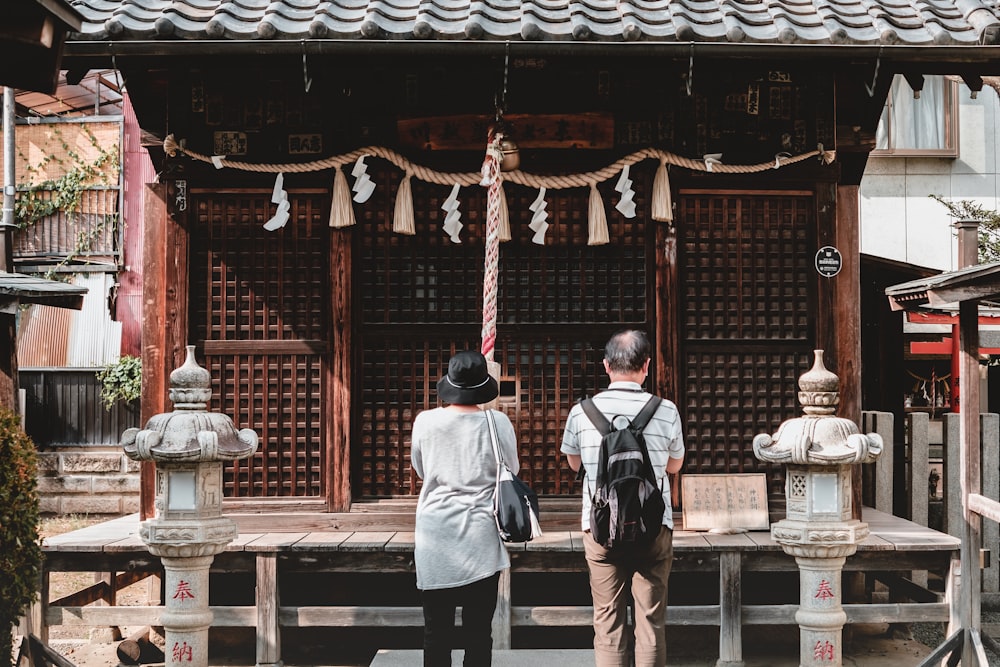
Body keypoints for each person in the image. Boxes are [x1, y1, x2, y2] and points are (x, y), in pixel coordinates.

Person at [561, 329, 686, 667]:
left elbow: (575, 464)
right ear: (646, 366)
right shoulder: (666, 410)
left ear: (606, 366)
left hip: (601, 526)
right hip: (653, 526)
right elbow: (675, 466)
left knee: (607, 620)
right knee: (650, 621)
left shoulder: (582, 411)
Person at [411, 349, 519, 667]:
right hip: (481, 536)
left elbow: (421, 469)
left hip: (435, 535)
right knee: (478, 633)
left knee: (436, 631)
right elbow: (510, 469)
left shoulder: (425, 421)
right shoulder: (497, 421)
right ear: (482, 383)